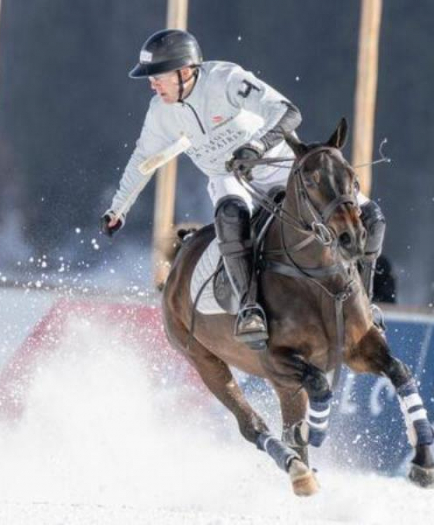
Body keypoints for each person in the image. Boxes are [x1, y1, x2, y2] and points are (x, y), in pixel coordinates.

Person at [100, 29, 386, 345]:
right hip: (229, 179)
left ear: (184, 71)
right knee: (230, 216)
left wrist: (256, 147)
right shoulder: (160, 112)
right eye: (149, 78)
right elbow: (142, 159)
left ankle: (365, 308)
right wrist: (118, 209)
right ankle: (251, 309)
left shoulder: (227, 79)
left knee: (372, 218)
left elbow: (289, 113)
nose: (152, 83)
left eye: (158, 76)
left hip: (279, 166)